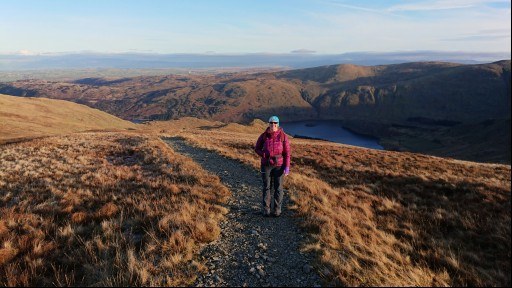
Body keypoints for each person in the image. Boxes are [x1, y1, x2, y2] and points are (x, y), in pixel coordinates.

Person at [254, 116, 291, 217]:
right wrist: (264, 155)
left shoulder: (283, 136)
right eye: (271, 123)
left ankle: (277, 210)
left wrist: (287, 167)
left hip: (279, 165)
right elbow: (257, 148)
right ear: (269, 124)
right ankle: (266, 209)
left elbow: (287, 153)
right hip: (266, 164)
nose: (273, 125)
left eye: (275, 123)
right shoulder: (264, 136)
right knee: (267, 187)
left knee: (278, 188)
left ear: (278, 124)